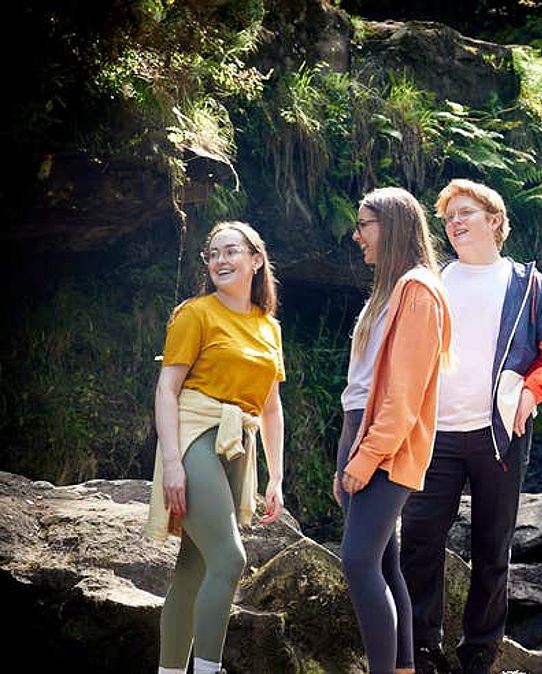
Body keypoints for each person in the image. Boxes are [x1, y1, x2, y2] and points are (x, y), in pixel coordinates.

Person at [401, 179, 542, 674]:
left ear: (495, 222)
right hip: (434, 434)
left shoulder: (529, 286)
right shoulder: (432, 281)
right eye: (448, 218)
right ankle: (421, 650)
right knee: (418, 539)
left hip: (499, 435)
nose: (455, 223)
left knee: (491, 547)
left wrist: (533, 391)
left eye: (465, 213)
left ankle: (480, 653)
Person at [145, 221, 286, 674]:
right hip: (195, 433)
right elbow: (167, 389)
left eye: (231, 252)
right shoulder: (195, 313)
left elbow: (270, 408)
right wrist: (172, 464)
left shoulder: (269, 327)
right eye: (213, 254)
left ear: (256, 260)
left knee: (195, 567)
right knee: (229, 558)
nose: (220, 261)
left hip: (237, 443)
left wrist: (276, 476)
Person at [335, 186, 453, 674]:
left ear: (394, 226)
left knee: (358, 562)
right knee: (383, 563)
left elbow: (403, 394)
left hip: (385, 444)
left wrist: (365, 458)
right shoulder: (388, 291)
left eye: (364, 224)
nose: (357, 235)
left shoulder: (418, 291)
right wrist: (348, 452)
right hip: (359, 432)